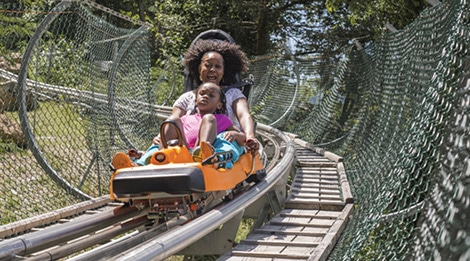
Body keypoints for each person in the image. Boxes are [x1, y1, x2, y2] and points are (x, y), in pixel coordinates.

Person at [167, 82, 246, 167]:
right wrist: (159, 138)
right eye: (202, 94)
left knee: (209, 118)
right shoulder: (185, 118)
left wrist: (234, 134)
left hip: (202, 151)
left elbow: (242, 137)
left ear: (219, 105)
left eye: (211, 95)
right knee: (173, 120)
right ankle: (162, 153)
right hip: (184, 150)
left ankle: (203, 152)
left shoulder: (221, 119)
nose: (205, 96)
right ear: (195, 101)